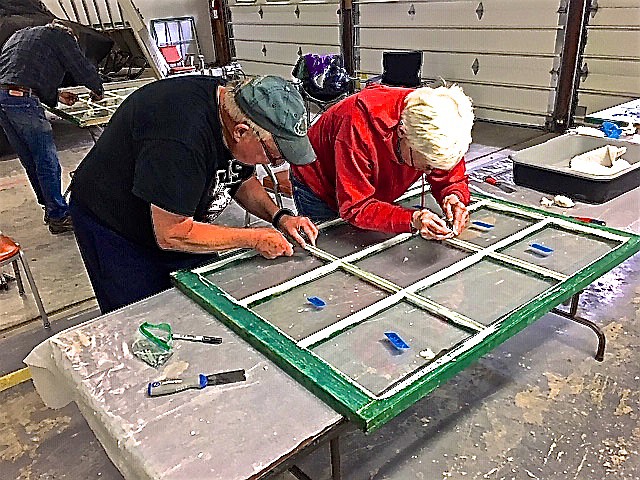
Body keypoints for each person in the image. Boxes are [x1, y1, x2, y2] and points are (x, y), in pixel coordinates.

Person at [70, 75, 319, 313]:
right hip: (116, 227)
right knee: (141, 319)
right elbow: (172, 232)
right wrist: (253, 238)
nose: (275, 165)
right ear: (242, 132)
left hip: (176, 215)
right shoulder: (179, 138)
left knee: (199, 301)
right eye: (275, 157)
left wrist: (280, 217)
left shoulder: (235, 107)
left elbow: (239, 178)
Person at [290, 82, 474, 240]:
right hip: (320, 186)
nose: (432, 172)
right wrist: (411, 219)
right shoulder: (358, 129)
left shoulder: (439, 124)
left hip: (369, 179)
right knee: (332, 249)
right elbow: (356, 207)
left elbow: (450, 176)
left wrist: (454, 197)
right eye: (428, 166)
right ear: (403, 134)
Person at [0, 20, 104, 234]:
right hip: (21, 101)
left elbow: (21, 74)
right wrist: (97, 88)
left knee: (31, 159)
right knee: (47, 161)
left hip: (4, 98)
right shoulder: (61, 35)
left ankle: (51, 208)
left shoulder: (22, 35)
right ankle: (59, 215)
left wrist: (55, 95)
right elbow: (81, 66)